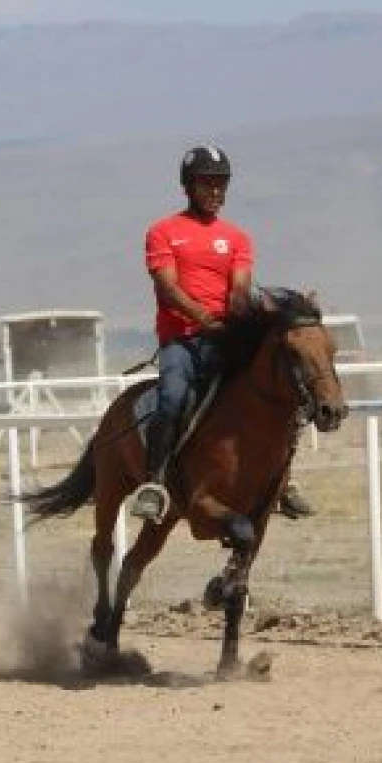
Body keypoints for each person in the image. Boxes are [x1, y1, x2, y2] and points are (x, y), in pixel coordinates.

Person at [129, 144, 256, 522]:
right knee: (172, 397)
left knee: (269, 385)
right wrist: (204, 319)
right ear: (188, 185)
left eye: (222, 183)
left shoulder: (237, 238)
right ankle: (154, 483)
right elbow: (167, 289)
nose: (216, 191)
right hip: (181, 340)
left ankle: (279, 476)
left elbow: (240, 288)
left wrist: (241, 315)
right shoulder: (162, 232)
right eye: (208, 183)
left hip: (223, 338)